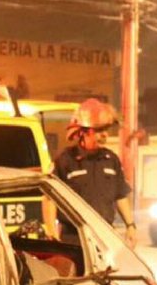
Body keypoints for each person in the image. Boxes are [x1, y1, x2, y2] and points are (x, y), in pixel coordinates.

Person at [49, 98, 136, 247]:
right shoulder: (65, 160)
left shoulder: (111, 159)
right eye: (98, 130)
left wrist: (130, 225)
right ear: (83, 132)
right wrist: (51, 233)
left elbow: (120, 195)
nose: (105, 135)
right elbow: (49, 199)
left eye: (106, 130)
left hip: (105, 235)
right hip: (74, 238)